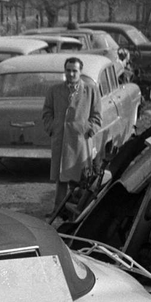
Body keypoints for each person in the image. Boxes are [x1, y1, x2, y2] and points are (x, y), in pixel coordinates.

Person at [41, 56, 101, 217]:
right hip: (61, 140)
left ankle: (78, 211)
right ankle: (58, 210)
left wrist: (87, 129)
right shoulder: (54, 90)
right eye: (68, 70)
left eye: (75, 71)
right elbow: (47, 112)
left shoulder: (91, 90)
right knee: (61, 178)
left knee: (81, 179)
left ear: (80, 72)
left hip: (81, 142)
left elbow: (97, 117)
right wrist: (52, 127)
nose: (71, 74)